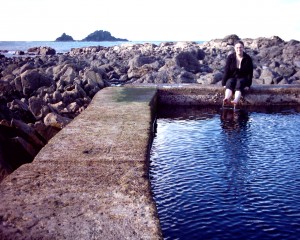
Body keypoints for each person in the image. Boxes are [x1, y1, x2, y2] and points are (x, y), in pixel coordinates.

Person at [222, 40, 253, 109]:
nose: (239, 49)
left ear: (243, 48)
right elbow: (226, 70)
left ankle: (236, 100)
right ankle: (226, 98)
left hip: (243, 78)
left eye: (240, 47)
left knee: (239, 83)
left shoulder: (248, 58)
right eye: (237, 47)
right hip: (233, 77)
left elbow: (250, 72)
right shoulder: (230, 57)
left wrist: (248, 85)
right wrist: (224, 83)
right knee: (229, 82)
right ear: (234, 48)